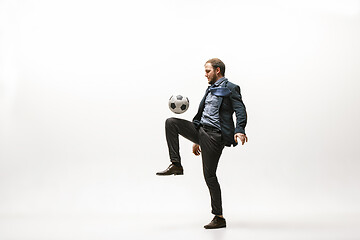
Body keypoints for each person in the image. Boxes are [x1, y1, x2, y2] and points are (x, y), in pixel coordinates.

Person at [156, 58, 248, 229]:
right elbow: (204, 113)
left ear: (217, 70)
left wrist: (239, 129)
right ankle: (176, 164)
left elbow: (240, 109)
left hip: (214, 136)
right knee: (171, 122)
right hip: (201, 131)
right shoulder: (210, 89)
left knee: (210, 176)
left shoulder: (231, 88)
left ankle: (219, 217)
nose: (205, 74)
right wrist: (196, 139)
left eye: (207, 71)